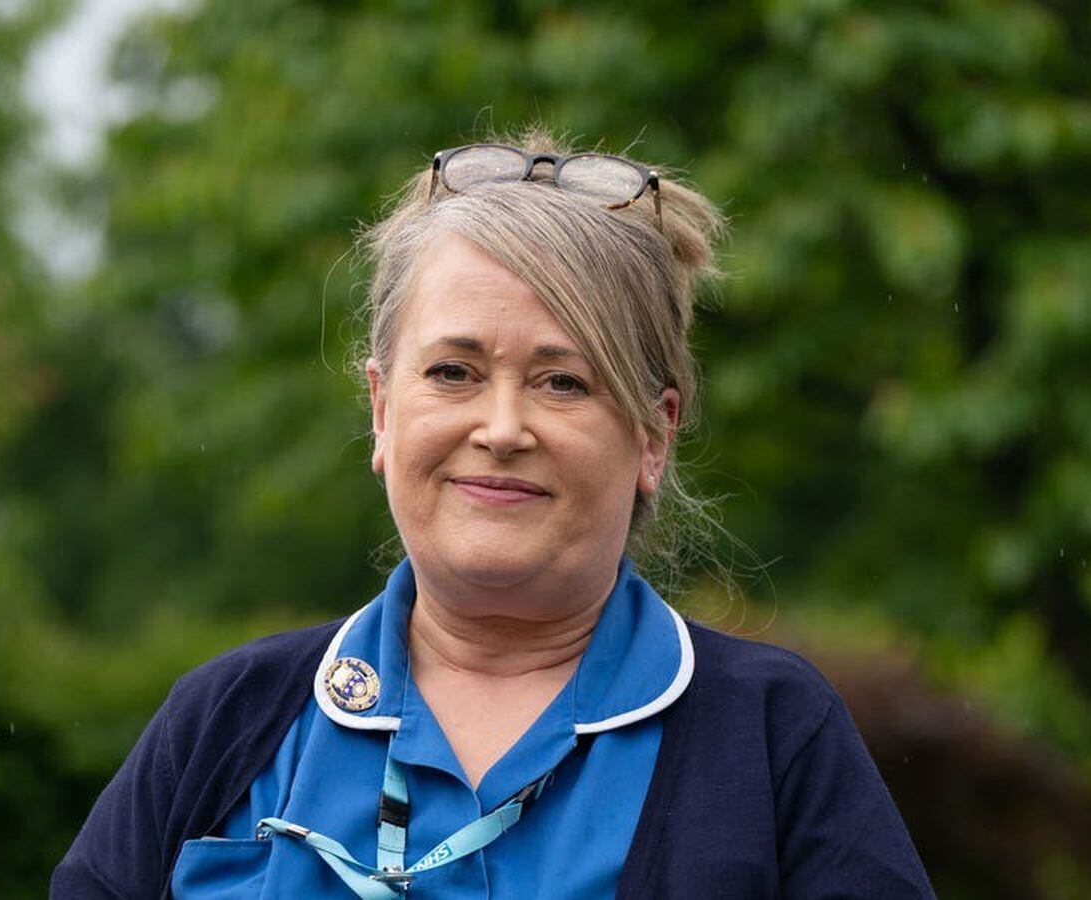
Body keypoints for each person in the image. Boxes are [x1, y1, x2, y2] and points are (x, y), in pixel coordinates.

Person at [52, 132, 936, 899]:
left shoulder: (775, 737)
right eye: (453, 373)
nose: (502, 429)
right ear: (382, 411)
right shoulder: (223, 722)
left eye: (564, 381)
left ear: (653, 436)